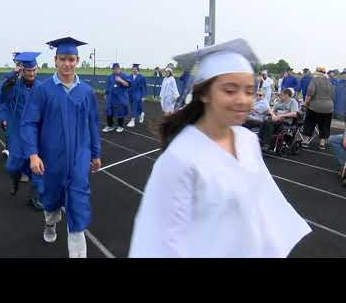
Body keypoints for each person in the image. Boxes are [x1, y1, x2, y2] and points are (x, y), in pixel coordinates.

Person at [128, 38, 311, 258]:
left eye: (249, 91)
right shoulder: (180, 158)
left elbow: (264, 211)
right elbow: (158, 242)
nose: (243, 100)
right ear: (204, 93)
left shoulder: (247, 141)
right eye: (230, 90)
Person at [21, 37, 101, 258]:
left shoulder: (85, 92)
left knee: (78, 204)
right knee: (51, 200)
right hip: (51, 158)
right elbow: (29, 123)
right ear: (55, 60)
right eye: (63, 59)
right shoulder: (44, 90)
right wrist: (33, 154)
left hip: (79, 158)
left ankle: (78, 253)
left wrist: (95, 154)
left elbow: (93, 124)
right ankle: (50, 223)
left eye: (72, 59)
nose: (67, 64)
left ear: (78, 61)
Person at [0, 52, 43, 210]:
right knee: (13, 166)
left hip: (35, 133)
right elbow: (1, 98)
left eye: (34, 70)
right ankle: (15, 179)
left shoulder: (41, 88)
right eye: (28, 70)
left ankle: (34, 196)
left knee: (38, 168)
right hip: (17, 131)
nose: (32, 73)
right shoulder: (13, 85)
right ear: (22, 70)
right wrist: (9, 80)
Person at [302, 66, 335, 150]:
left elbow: (310, 93)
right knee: (325, 125)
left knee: (309, 122)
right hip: (328, 108)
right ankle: (322, 143)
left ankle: (305, 141)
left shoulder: (314, 80)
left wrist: (305, 104)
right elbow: (333, 96)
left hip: (315, 107)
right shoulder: (329, 82)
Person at [103, 63, 131, 133]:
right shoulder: (110, 76)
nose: (114, 70)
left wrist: (121, 80)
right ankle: (110, 126)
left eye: (116, 69)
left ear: (119, 68)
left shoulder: (124, 75)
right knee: (109, 111)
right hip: (111, 97)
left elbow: (128, 84)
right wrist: (106, 93)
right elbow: (108, 86)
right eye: (113, 69)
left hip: (120, 98)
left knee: (120, 112)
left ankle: (120, 126)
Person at [127, 63, 147, 128]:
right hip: (130, 93)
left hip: (138, 93)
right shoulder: (129, 76)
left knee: (135, 105)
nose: (134, 70)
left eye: (135, 69)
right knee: (134, 106)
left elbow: (143, 87)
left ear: (138, 69)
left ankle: (132, 120)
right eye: (133, 69)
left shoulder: (141, 77)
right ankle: (141, 113)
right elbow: (127, 85)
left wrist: (143, 96)